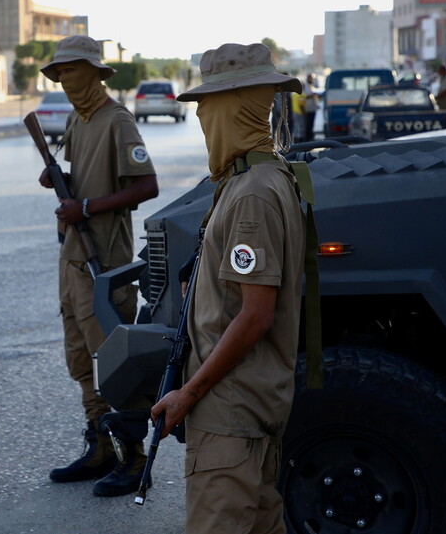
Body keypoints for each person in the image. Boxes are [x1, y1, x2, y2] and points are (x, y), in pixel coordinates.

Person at [151, 43, 306, 534]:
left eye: (206, 109)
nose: (201, 122)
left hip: (230, 410)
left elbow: (256, 315)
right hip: (251, 404)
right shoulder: (267, 176)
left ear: (230, 108)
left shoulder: (252, 192)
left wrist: (187, 395)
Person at [37, 35, 159, 497]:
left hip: (103, 262)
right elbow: (78, 177)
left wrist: (85, 207)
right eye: (58, 73)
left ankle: (133, 459)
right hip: (72, 257)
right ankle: (101, 448)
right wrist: (59, 180)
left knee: (111, 361)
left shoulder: (117, 122)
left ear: (92, 72)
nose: (63, 79)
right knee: (79, 358)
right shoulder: (76, 120)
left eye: (69, 71)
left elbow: (147, 186)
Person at [302, 73, 319, 140]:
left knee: (311, 124)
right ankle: (307, 138)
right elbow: (302, 97)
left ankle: (310, 137)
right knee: (307, 125)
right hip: (307, 109)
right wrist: (311, 96)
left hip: (313, 109)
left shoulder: (312, 86)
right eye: (311, 78)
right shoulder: (304, 86)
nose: (312, 79)